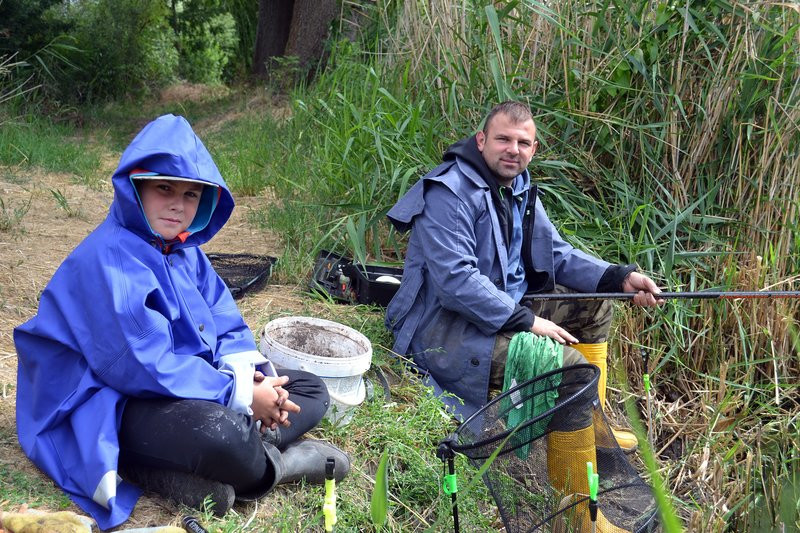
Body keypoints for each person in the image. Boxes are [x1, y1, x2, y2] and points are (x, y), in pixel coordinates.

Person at [14, 114, 349, 530]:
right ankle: (273, 466)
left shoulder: (184, 251)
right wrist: (237, 393)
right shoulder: (109, 259)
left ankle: (207, 467)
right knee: (224, 436)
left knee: (310, 388)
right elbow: (142, 364)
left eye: (191, 194)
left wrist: (257, 381)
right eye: (164, 188)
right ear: (135, 188)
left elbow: (226, 323)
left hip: (180, 386)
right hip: (108, 401)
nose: (177, 204)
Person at [385, 101, 662, 532]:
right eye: (503, 139)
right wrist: (526, 322)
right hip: (445, 330)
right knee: (567, 368)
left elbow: (556, 254)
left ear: (533, 149)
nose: (512, 150)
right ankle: (577, 516)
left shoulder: (520, 187)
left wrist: (618, 276)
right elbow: (455, 281)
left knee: (597, 302)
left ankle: (593, 426)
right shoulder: (447, 191)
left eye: (522, 142)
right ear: (481, 141)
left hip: (504, 310)